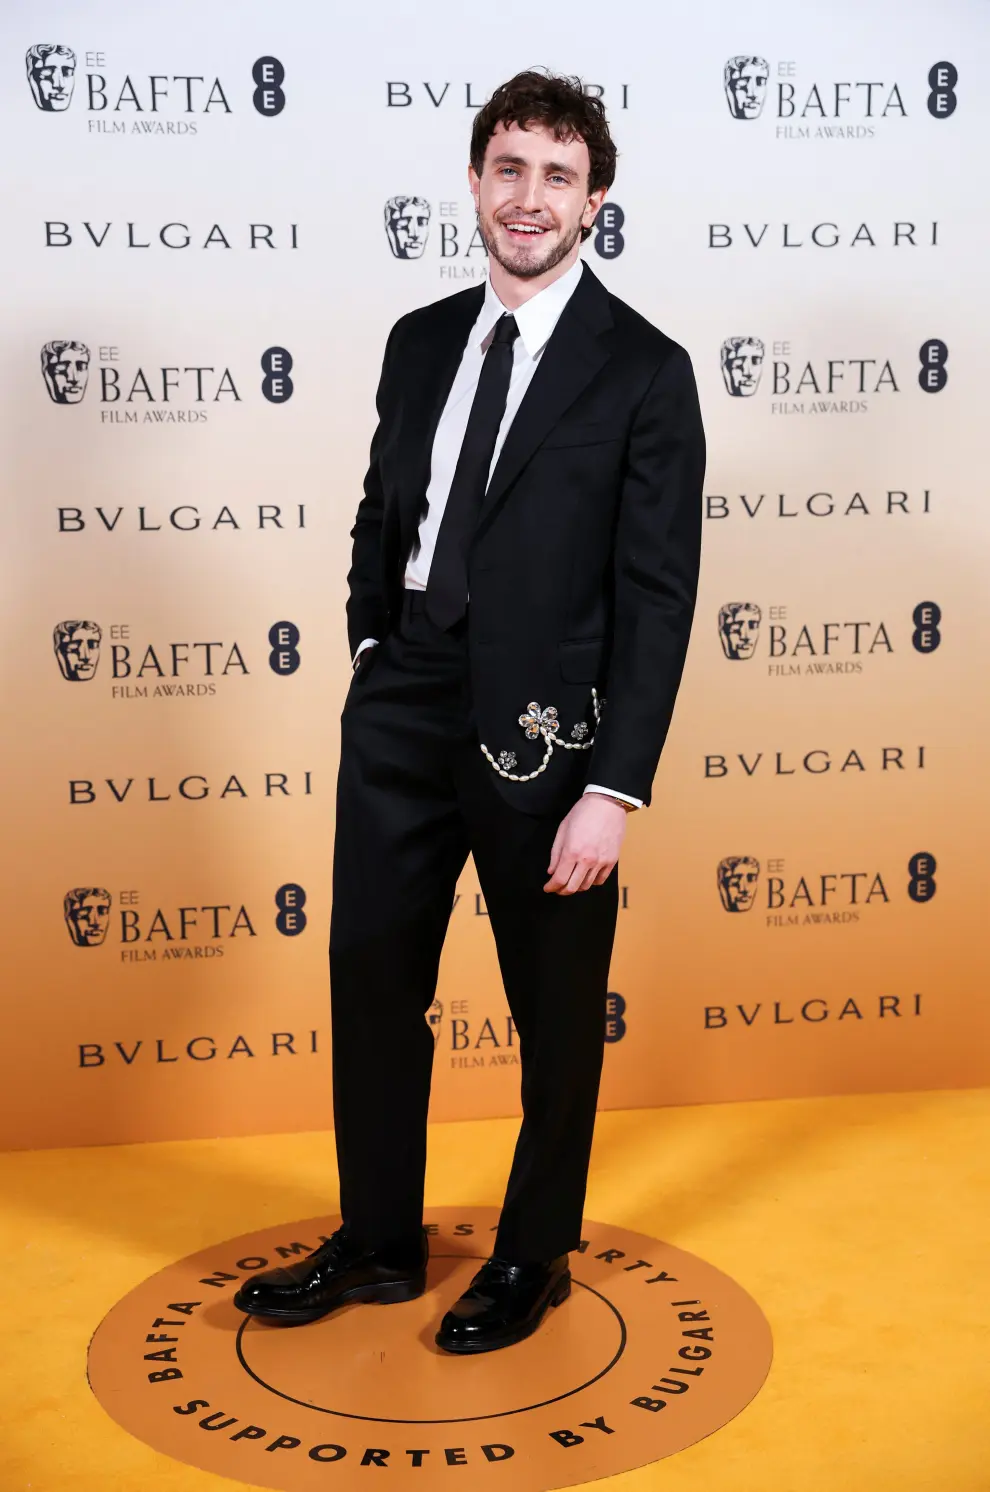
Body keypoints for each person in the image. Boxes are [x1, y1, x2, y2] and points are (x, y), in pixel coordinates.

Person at [235, 68, 705, 1355]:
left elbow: (657, 598)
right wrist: (371, 643)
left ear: (595, 200)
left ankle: (535, 1251)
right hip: (402, 705)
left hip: (546, 738)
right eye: (510, 168)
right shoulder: (419, 337)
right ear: (476, 182)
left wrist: (613, 789)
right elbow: (385, 512)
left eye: (558, 175)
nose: (529, 197)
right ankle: (381, 1239)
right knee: (371, 977)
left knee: (555, 1009)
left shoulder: (647, 373)